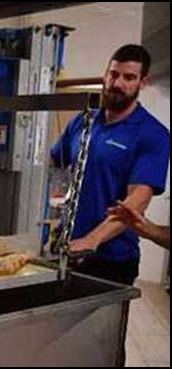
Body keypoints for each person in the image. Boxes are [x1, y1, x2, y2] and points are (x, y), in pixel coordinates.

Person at [51, 44, 170, 287]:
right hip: (65, 247)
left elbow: (135, 204)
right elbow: (56, 160)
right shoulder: (84, 120)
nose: (117, 83)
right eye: (113, 74)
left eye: (129, 77)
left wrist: (91, 240)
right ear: (105, 75)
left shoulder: (152, 134)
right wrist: (57, 199)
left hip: (111, 260)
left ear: (143, 82)